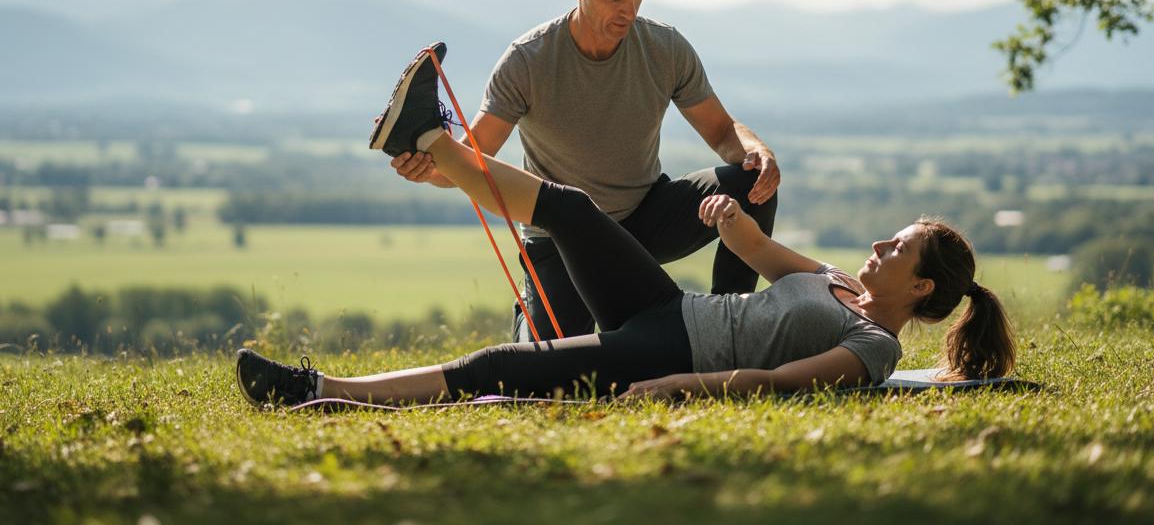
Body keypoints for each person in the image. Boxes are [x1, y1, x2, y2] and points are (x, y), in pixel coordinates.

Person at [234, 44, 1016, 408]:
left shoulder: (873, 349)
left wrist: (675, 386)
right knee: (570, 205)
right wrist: (730, 216)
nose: (879, 245)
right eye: (892, 236)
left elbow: (772, 383)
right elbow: (760, 250)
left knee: (500, 365)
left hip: (670, 347)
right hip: (670, 306)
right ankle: (429, 138)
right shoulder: (841, 284)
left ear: (919, 286)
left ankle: (317, 390)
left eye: (897, 247)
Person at [391, 0, 782, 343]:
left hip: (643, 219)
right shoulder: (528, 60)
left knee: (752, 181)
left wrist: (755, 150)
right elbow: (472, 161)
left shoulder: (665, 48)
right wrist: (429, 167)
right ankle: (529, 313)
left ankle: (728, 337)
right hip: (561, 240)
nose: (629, 11)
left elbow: (723, 131)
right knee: (553, 365)